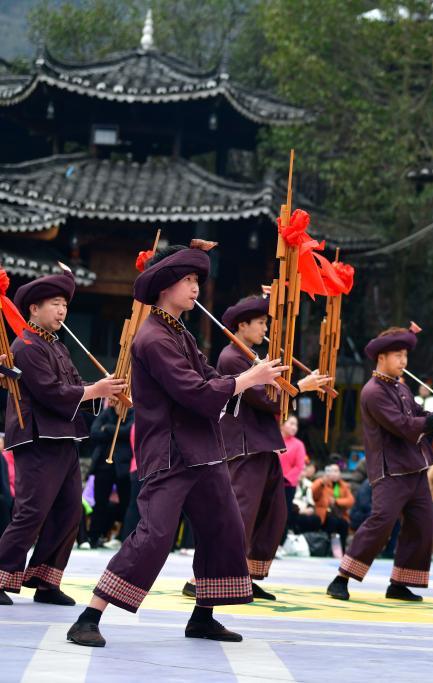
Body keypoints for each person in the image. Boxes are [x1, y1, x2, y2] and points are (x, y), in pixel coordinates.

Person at [66, 242, 287, 647]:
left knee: (225, 527)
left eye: (197, 280)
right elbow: (196, 392)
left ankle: (203, 616)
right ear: (166, 284)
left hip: (202, 448)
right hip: (169, 452)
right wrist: (246, 380)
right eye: (187, 279)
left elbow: (205, 374)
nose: (195, 288)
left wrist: (254, 374)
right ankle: (88, 616)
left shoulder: (178, 331)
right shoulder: (152, 337)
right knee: (154, 535)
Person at [0, 268, 128, 607]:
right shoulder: (26, 345)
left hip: (63, 437)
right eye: (55, 304)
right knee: (32, 511)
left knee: (70, 510)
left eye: (64, 306)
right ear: (33, 309)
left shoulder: (56, 346)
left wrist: (105, 394)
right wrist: (94, 389)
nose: (61, 311)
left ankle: (45, 578)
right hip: (38, 438)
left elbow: (73, 386)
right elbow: (52, 393)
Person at [190, 295, 330, 601]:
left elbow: (271, 394)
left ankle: (247, 575)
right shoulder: (231, 357)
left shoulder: (251, 356)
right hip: (243, 444)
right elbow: (263, 398)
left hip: (262, 443)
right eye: (262, 322)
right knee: (241, 513)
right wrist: (299, 387)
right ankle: (203, 576)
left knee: (273, 514)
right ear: (242, 325)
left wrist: (292, 383)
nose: (266, 328)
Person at [325, 326, 433, 601]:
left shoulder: (401, 387)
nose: (403, 361)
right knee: (381, 522)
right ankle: (341, 578)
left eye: (405, 356)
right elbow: (402, 426)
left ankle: (400, 583)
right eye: (398, 356)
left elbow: (418, 413)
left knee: (422, 524)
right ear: (381, 358)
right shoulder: (373, 391)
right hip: (391, 469)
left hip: (414, 467)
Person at [87, 404, 134, 550]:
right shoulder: (107, 412)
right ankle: (94, 537)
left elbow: (128, 432)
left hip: (123, 466)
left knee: (126, 503)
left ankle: (124, 537)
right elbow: (94, 432)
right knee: (99, 502)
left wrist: (107, 428)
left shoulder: (132, 412)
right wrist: (116, 432)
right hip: (103, 466)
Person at [311, 463, 354, 546]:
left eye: (336, 471)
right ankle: (326, 547)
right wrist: (322, 482)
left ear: (340, 473)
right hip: (324, 514)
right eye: (331, 471)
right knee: (332, 522)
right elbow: (313, 492)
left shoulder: (343, 485)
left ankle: (341, 549)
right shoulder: (321, 482)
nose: (334, 474)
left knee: (344, 523)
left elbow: (351, 501)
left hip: (338, 515)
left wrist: (336, 501)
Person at [279, 414, 308, 534]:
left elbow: (299, 466)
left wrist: (285, 478)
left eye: (296, 425)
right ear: (282, 424)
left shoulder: (298, 444)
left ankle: (280, 543)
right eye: (291, 423)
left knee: (282, 514)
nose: (294, 427)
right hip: (270, 482)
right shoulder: (273, 440)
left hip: (287, 485)